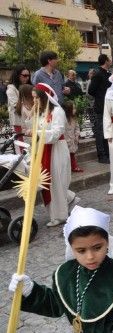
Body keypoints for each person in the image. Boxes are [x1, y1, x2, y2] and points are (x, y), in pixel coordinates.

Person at [8, 205, 113, 332]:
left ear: (107, 243)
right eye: (81, 251)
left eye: (97, 248)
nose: (90, 257)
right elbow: (56, 304)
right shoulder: (65, 274)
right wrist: (31, 291)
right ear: (71, 248)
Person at [32, 83, 79, 226]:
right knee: (49, 181)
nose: (34, 101)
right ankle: (69, 199)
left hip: (57, 149)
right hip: (44, 150)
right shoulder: (40, 113)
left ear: (44, 98)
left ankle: (60, 215)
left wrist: (38, 133)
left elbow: (57, 133)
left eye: (36, 98)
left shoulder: (57, 111)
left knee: (57, 181)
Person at [88, 54, 112, 164]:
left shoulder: (108, 74)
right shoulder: (97, 74)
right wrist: (101, 95)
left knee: (107, 131)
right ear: (106, 61)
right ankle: (102, 156)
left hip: (108, 107)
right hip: (100, 107)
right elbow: (91, 90)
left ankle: (108, 154)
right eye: (109, 59)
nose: (111, 60)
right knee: (100, 132)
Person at [7, 65, 32, 140]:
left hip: (30, 119)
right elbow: (15, 105)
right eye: (24, 75)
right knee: (22, 145)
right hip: (19, 121)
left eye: (28, 75)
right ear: (17, 75)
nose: (27, 77)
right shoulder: (11, 89)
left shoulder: (29, 86)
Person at [62, 100, 83, 173]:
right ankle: (68, 168)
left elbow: (77, 127)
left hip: (73, 140)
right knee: (66, 156)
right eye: (73, 108)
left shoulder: (74, 118)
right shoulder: (63, 120)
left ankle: (74, 166)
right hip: (66, 141)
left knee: (72, 154)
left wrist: (77, 135)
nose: (75, 110)